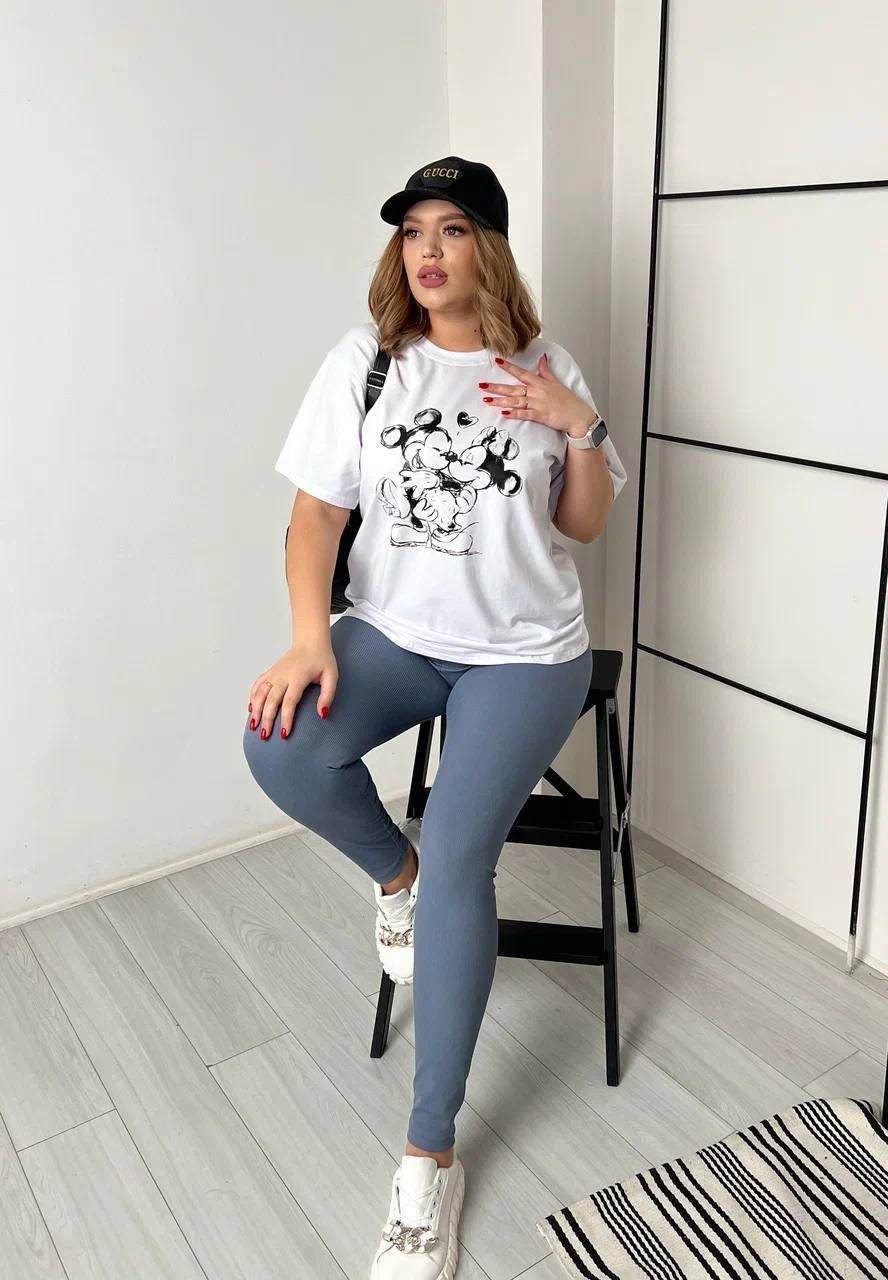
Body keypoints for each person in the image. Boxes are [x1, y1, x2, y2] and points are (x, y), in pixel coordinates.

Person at [242, 155, 627, 1278]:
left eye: (452, 229)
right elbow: (316, 519)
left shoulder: (546, 365)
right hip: (397, 633)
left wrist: (580, 423)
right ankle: (394, 878)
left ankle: (428, 1160)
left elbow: (584, 526)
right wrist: (311, 637)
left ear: (487, 248)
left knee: (466, 857)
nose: (428, 250)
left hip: (525, 653)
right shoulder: (365, 364)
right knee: (281, 741)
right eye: (413, 230)